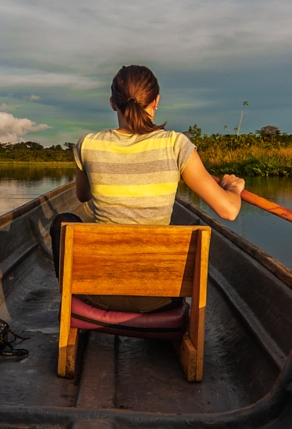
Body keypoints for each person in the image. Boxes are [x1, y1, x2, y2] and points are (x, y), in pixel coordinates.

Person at [53, 64, 246, 312]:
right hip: (161, 297)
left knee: (63, 221)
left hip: (98, 293)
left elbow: (82, 196)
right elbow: (229, 211)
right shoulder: (176, 144)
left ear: (113, 103)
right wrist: (233, 188)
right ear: (156, 101)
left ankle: (73, 304)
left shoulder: (88, 144)